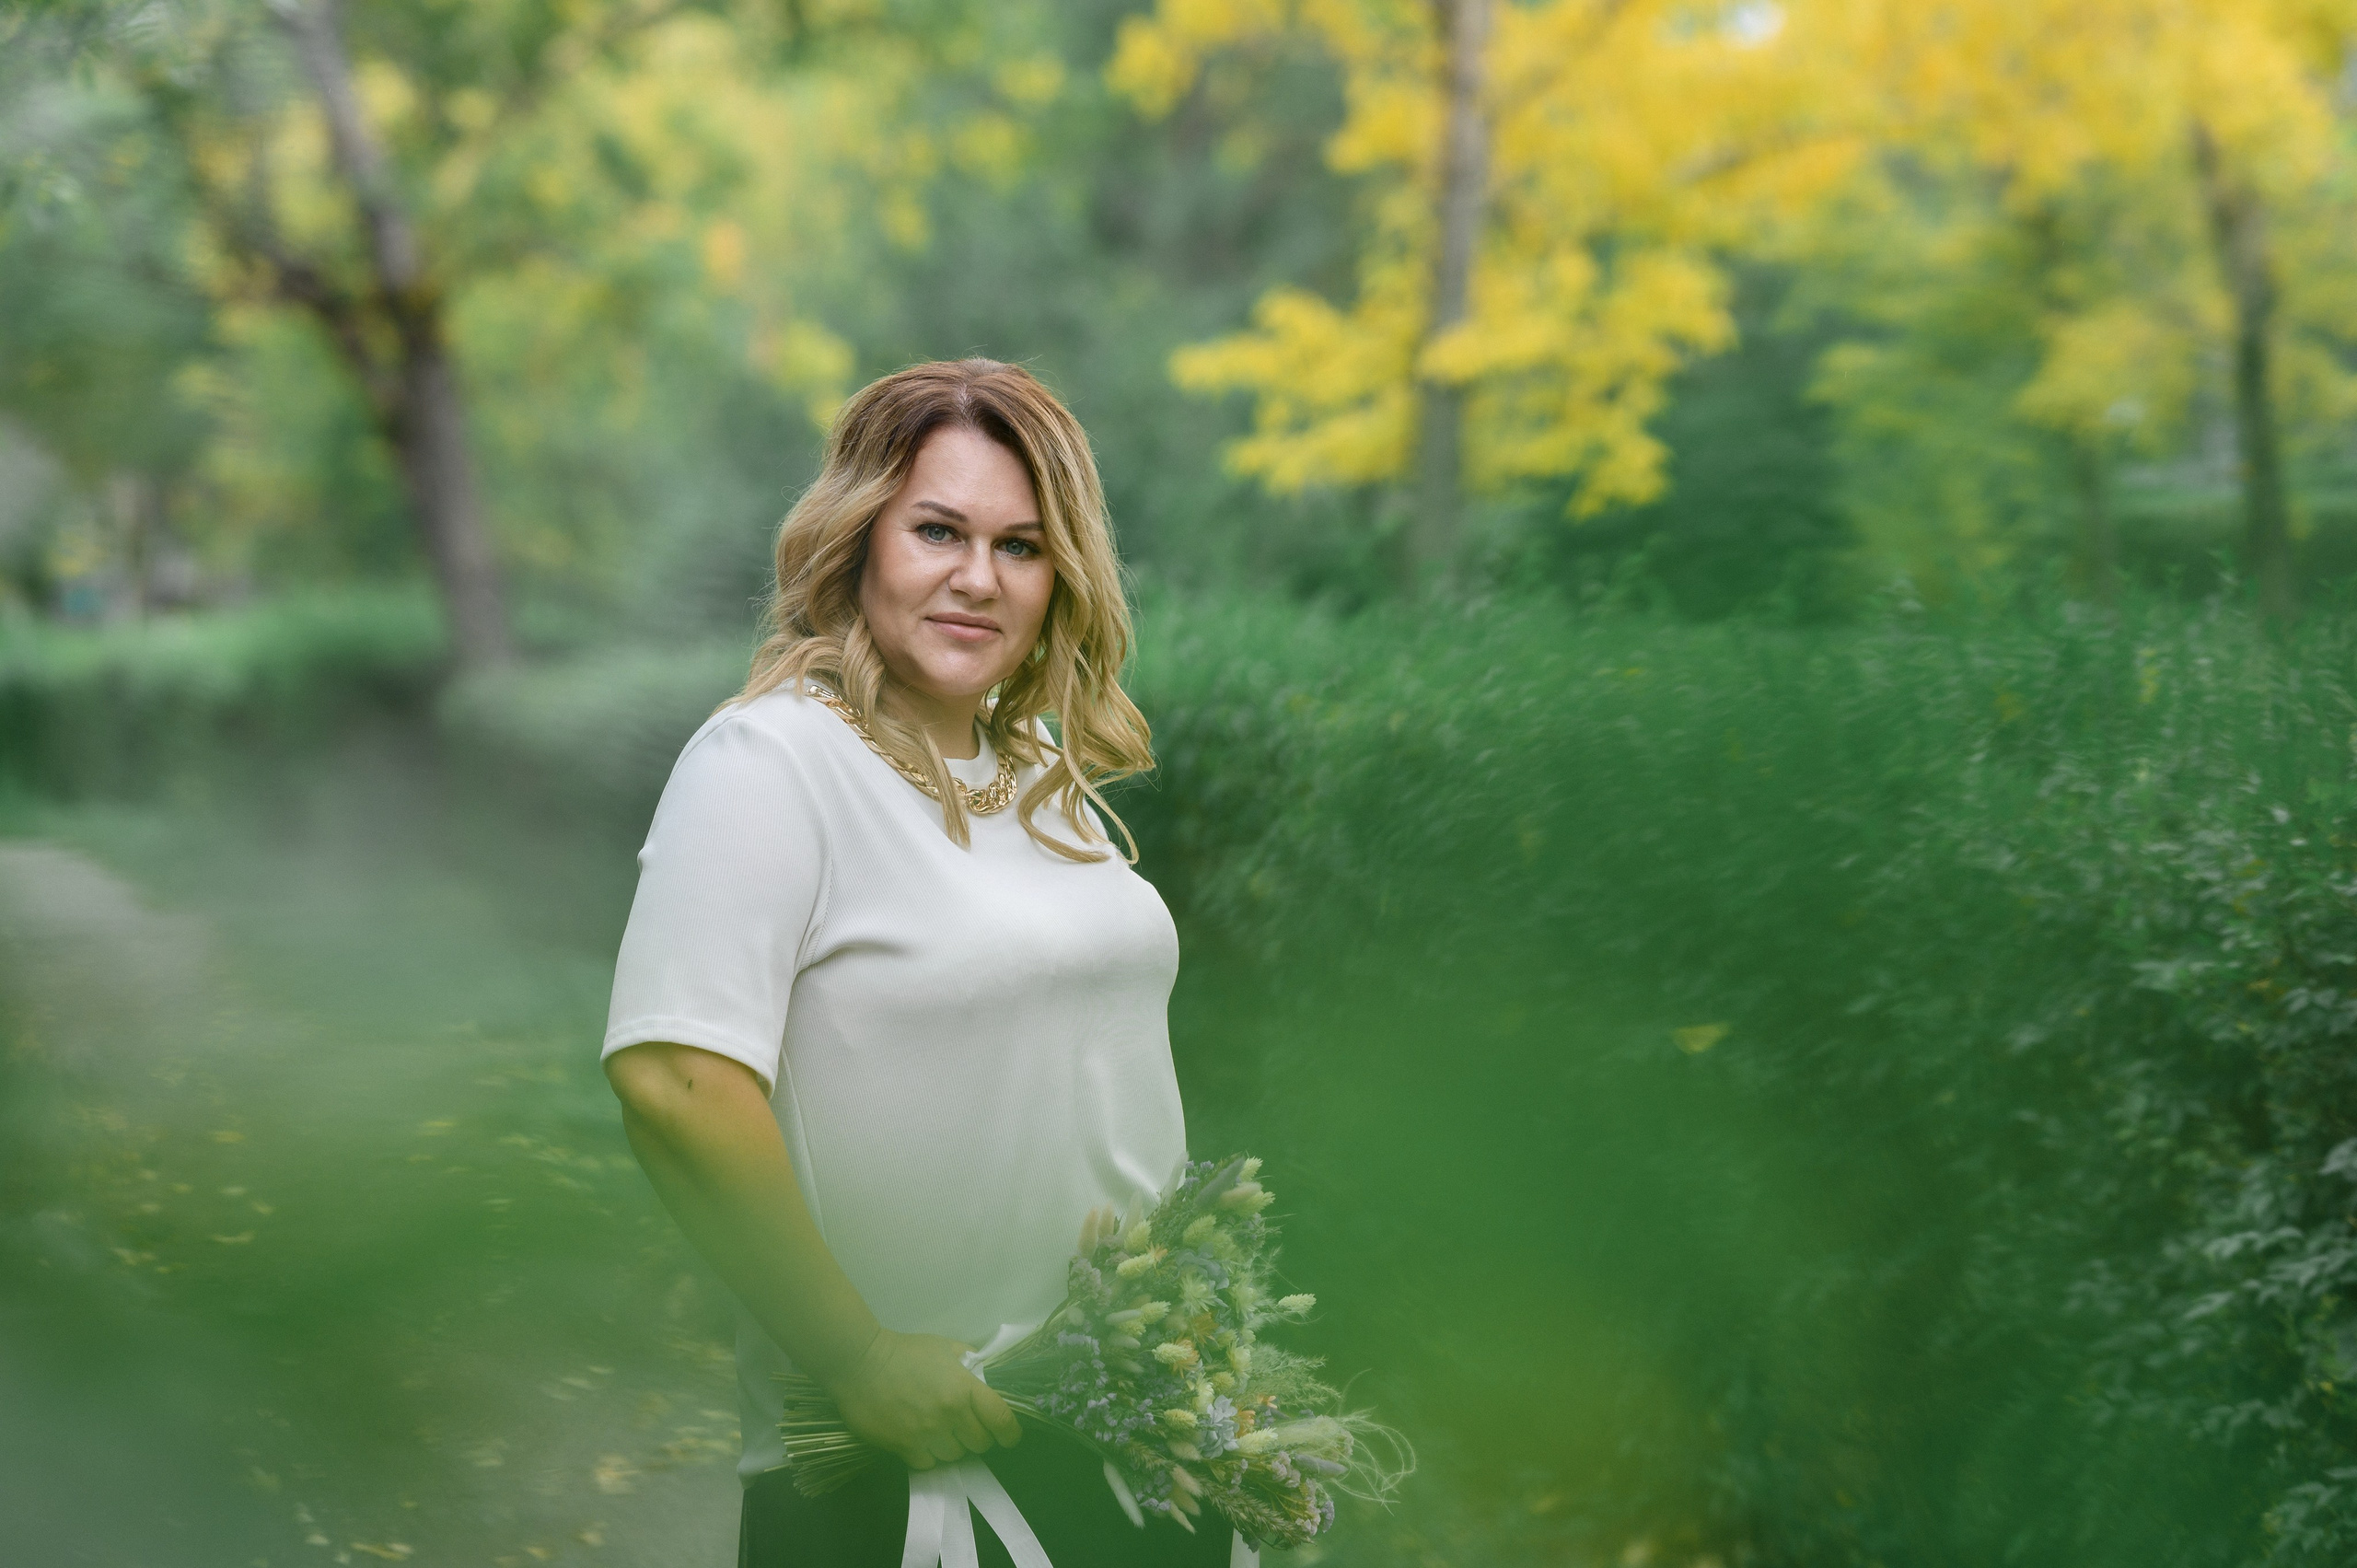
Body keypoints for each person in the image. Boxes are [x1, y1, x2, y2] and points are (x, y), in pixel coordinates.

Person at [600, 360, 1236, 1566]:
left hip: (1128, 1435)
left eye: (1020, 546)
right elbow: (676, 1082)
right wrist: (859, 1358)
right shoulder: (770, 762)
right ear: (859, 541)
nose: (978, 578)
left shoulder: (1037, 768)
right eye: (938, 531)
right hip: (911, 1471)